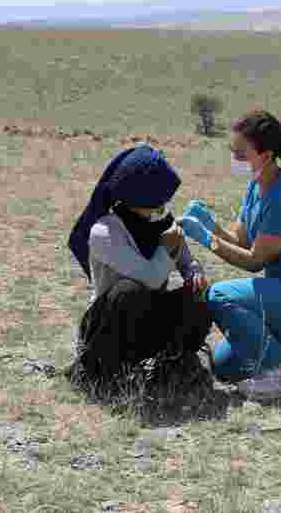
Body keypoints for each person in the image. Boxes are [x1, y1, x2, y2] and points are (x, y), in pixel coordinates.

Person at [178, 109, 281, 400]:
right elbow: (240, 240)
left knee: (219, 295)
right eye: (233, 151)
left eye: (242, 154)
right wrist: (209, 223)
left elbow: (254, 261)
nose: (235, 159)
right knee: (225, 364)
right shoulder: (256, 186)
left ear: (265, 155)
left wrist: (205, 238)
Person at [65, 144, 214, 399]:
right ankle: (105, 373)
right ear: (138, 197)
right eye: (156, 201)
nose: (162, 207)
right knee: (128, 290)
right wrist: (167, 249)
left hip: (148, 315)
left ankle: (173, 364)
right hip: (110, 324)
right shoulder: (104, 231)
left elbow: (187, 262)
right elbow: (151, 278)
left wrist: (194, 273)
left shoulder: (161, 222)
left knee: (199, 295)